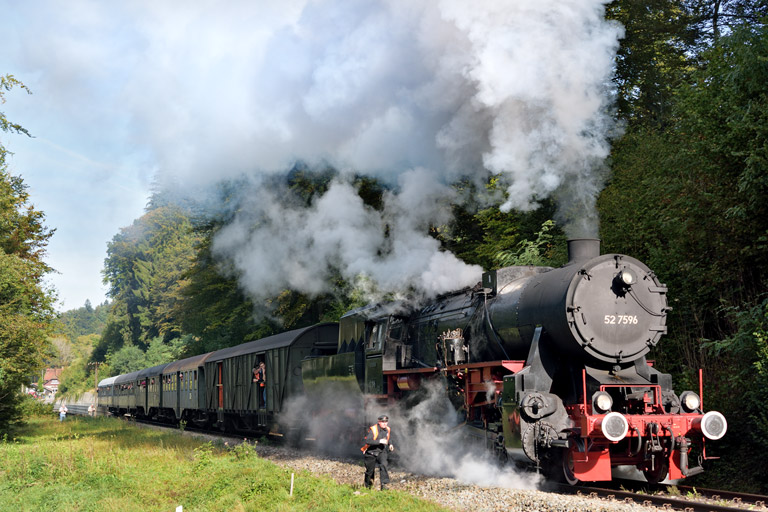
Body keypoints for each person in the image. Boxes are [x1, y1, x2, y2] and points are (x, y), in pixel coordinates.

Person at [361, 414, 395, 490]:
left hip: (381, 452)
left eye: (386, 422)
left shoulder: (387, 429)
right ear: (379, 422)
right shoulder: (373, 430)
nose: (385, 423)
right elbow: (368, 441)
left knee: (384, 465)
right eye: (383, 422)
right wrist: (379, 441)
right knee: (370, 471)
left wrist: (390, 444)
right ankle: (368, 486)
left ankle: (384, 485)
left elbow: (389, 437)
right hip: (371, 452)